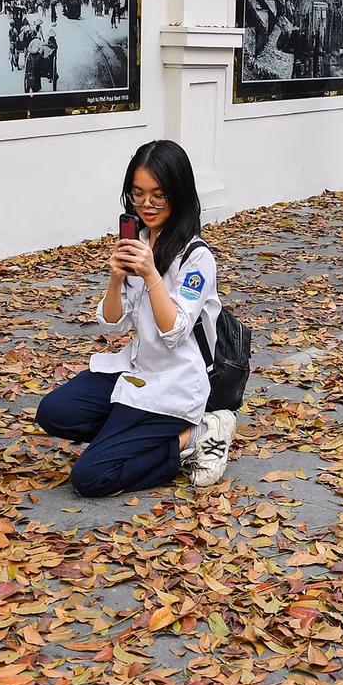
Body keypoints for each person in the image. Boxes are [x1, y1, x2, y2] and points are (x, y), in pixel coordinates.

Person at [34, 140, 237, 495]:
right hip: (137, 369)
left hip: (176, 382)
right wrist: (116, 278)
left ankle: (195, 436)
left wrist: (150, 274)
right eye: (138, 194)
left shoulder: (197, 258)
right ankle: (127, 436)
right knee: (54, 412)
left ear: (178, 194)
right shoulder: (139, 241)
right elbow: (113, 324)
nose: (146, 205)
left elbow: (174, 331)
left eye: (158, 195)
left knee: (90, 477)